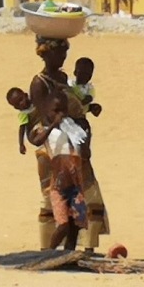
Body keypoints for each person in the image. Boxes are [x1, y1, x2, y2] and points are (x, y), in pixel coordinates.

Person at [28, 35, 110, 250]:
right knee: (55, 197)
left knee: (83, 195)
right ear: (47, 55)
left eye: (65, 53)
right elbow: (46, 117)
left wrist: (82, 134)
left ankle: (83, 246)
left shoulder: (64, 79)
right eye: (59, 53)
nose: (63, 57)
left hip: (73, 141)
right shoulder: (39, 83)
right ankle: (48, 249)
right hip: (55, 145)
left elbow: (74, 110)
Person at [7, 87, 33, 155]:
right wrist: (21, 144)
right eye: (17, 104)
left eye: (21, 99)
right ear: (16, 108)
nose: (21, 103)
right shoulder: (23, 114)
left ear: (26, 95)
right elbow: (22, 128)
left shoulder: (35, 98)